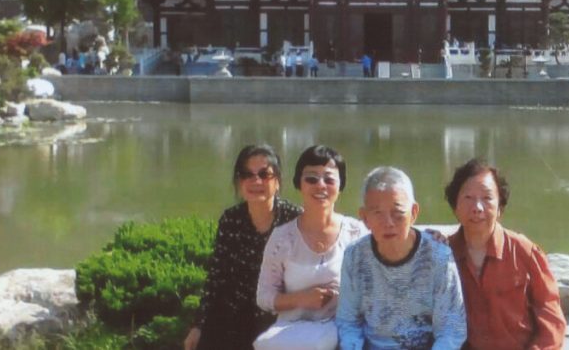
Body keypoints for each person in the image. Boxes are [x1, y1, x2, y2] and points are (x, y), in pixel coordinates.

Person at [183, 145, 302, 350]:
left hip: (279, 315)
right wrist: (198, 326)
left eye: (264, 174)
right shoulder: (231, 220)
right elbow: (216, 277)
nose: (256, 181)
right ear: (239, 182)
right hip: (234, 315)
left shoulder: (295, 219)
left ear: (277, 181)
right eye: (247, 174)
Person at [336, 167, 466, 350]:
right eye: (377, 213)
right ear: (364, 218)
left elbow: (452, 329)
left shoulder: (438, 256)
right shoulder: (354, 256)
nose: (388, 223)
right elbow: (348, 321)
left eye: (397, 213)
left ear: (413, 212)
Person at [255, 145, 368, 350]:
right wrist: (302, 299)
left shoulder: (357, 234)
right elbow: (264, 297)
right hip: (291, 336)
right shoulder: (282, 238)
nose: (320, 185)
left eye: (329, 179)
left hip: (345, 335)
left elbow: (375, 287)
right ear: (299, 183)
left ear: (340, 185)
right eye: (311, 179)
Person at [445, 159, 566, 350]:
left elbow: (551, 321)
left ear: (500, 207)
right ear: (455, 205)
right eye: (468, 198)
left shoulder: (525, 253)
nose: (477, 207)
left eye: (487, 198)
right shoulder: (443, 254)